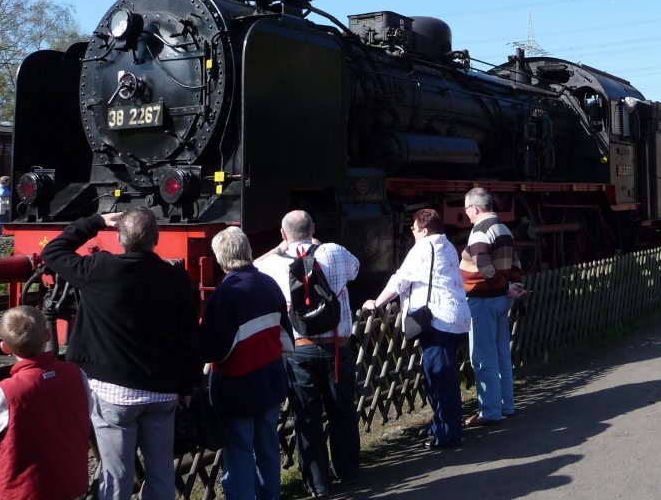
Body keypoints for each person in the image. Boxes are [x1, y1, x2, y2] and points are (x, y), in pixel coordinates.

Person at [40, 209, 201, 500]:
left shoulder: (99, 269)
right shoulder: (176, 278)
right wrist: (187, 385)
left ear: (120, 237)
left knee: (116, 474)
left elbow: (52, 251)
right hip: (162, 392)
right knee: (161, 471)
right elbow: (188, 337)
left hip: (112, 394)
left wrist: (94, 221)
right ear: (157, 238)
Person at [255, 210, 360, 498]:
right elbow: (356, 270)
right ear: (313, 227)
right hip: (337, 348)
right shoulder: (335, 251)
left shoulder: (273, 264)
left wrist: (279, 249)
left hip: (299, 350)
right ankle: (348, 472)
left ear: (282, 233)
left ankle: (317, 483)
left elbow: (251, 266)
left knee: (307, 417)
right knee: (342, 410)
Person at [363, 209, 471, 449]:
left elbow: (400, 279)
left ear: (424, 229)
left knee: (439, 378)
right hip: (453, 319)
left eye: (413, 228)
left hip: (437, 321)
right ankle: (439, 424)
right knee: (443, 374)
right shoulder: (448, 246)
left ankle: (448, 434)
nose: (412, 232)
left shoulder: (423, 248)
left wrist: (376, 302)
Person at [201, 226, 294, 500]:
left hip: (238, 386)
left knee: (240, 451)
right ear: (248, 251)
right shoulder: (269, 284)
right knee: (267, 446)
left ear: (220, 258)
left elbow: (213, 350)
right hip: (271, 380)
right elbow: (285, 334)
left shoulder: (223, 295)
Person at [0, 306, 92, 500]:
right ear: (48, 335)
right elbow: (86, 414)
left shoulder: (5, 392)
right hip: (73, 485)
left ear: (5, 348)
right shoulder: (77, 375)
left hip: (25, 492)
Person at [461, 187, 525, 426]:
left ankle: (489, 411)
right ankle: (507, 405)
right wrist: (514, 283)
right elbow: (516, 261)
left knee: (482, 358)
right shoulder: (503, 228)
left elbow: (483, 266)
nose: (466, 213)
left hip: (484, 300)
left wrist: (503, 284)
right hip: (500, 299)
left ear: (475, 208)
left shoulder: (479, 231)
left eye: (466, 209)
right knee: (501, 355)